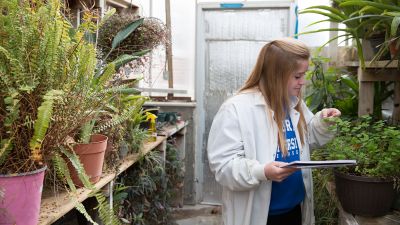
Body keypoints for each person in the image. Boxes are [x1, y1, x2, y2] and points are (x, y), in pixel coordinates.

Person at [207, 38, 341, 225]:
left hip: (295, 210)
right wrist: (262, 172)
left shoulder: (293, 102)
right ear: (276, 75)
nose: (303, 82)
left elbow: (308, 137)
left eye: (304, 75)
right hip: (260, 217)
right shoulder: (236, 109)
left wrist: (323, 122)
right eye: (297, 76)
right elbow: (223, 167)